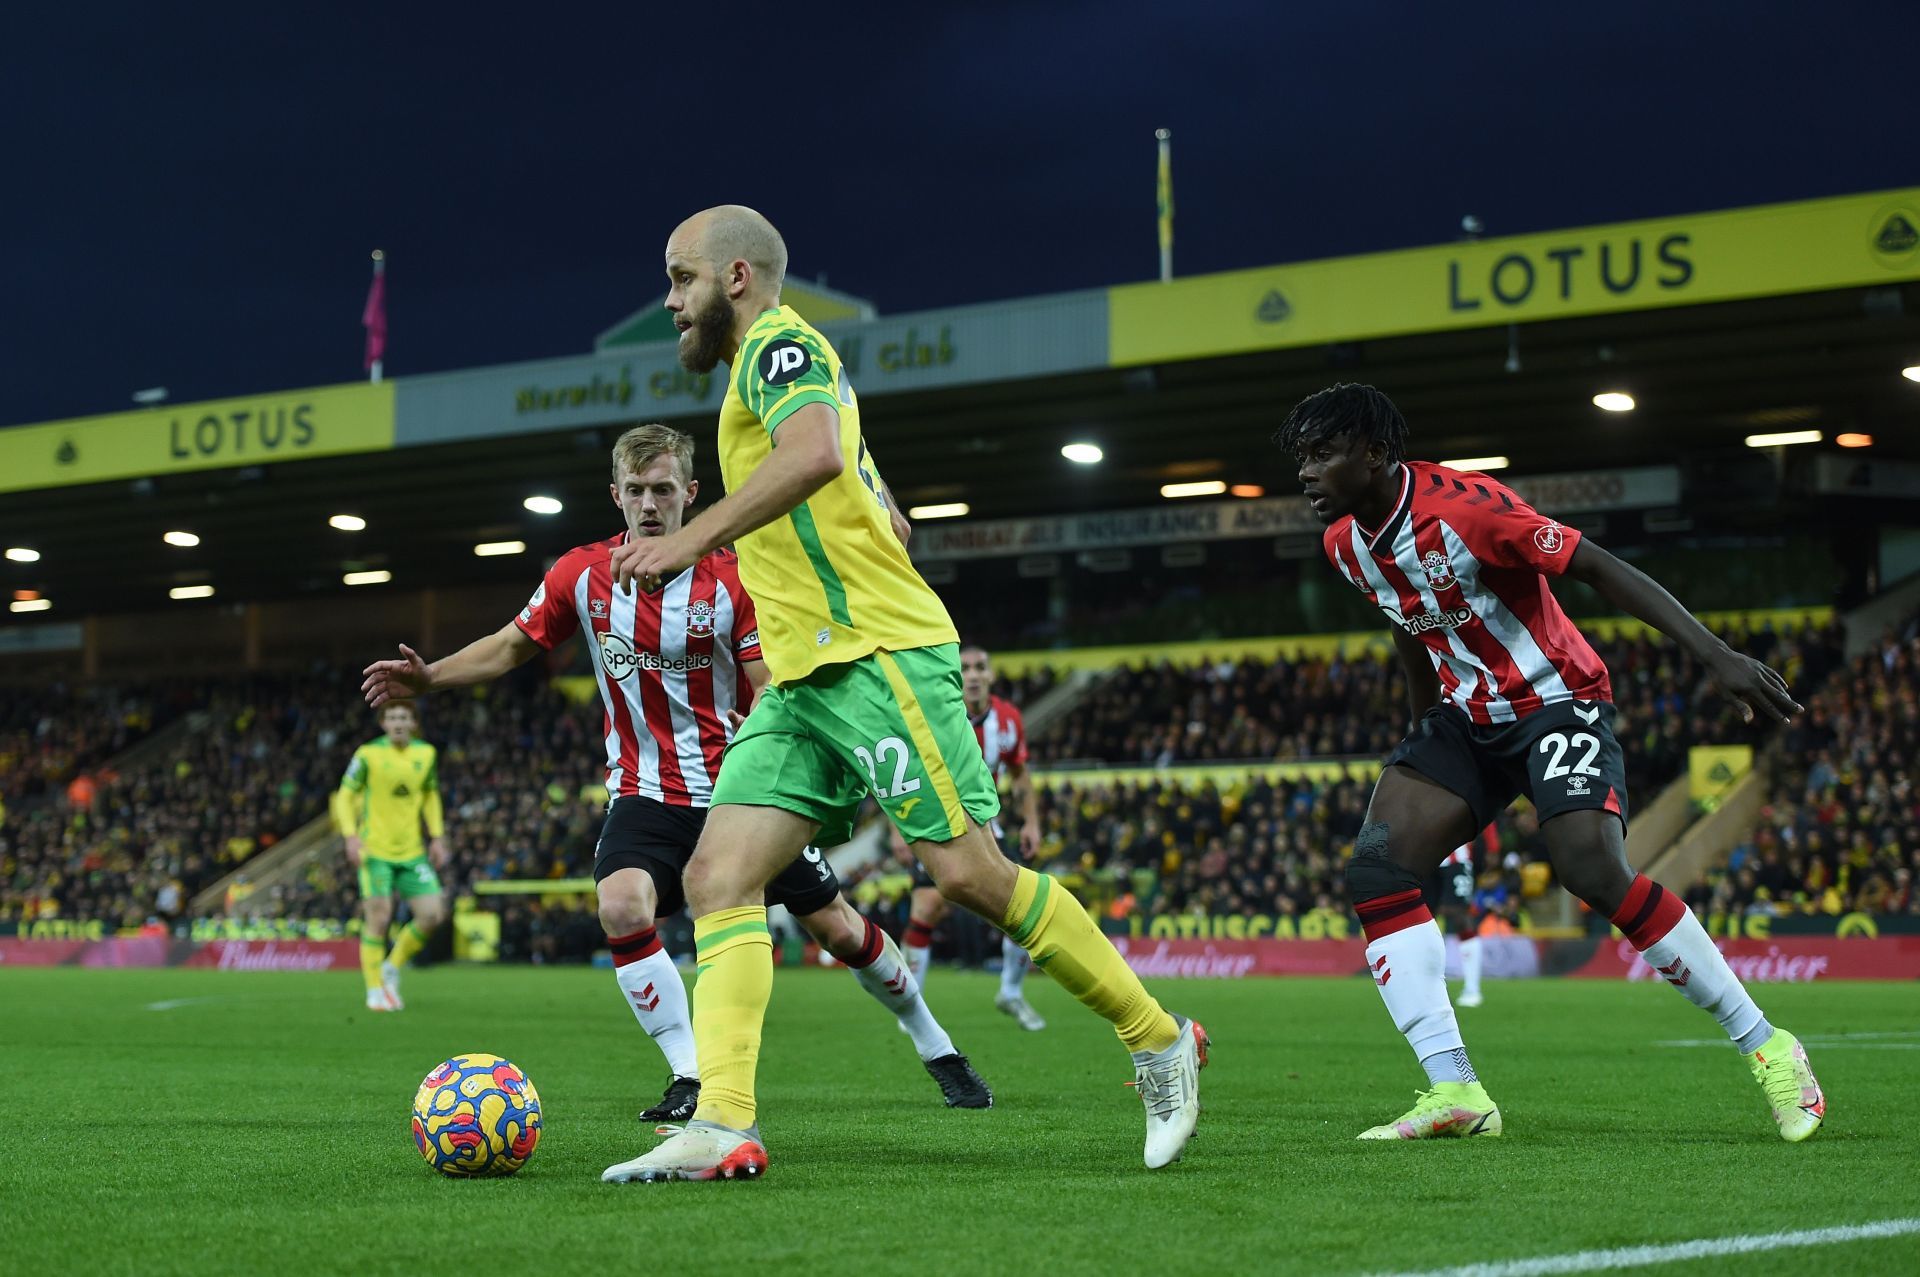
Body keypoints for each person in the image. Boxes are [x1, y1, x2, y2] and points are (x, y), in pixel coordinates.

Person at [602, 205, 1206, 1183]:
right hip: (802, 678)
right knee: (718, 876)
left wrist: (687, 540)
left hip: (877, 655)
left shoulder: (780, 348)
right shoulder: (770, 373)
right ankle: (722, 1119)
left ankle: (1156, 1039)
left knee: (967, 872)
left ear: (740, 277)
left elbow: (815, 456)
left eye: (682, 279)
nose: (671, 301)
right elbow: (871, 496)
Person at [361, 424, 990, 1118]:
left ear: (690, 493)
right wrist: (433, 677)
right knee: (621, 904)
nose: (649, 503)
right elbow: (514, 644)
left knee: (838, 929)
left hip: (740, 794)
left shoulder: (734, 577)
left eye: (663, 489)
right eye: (635, 490)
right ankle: (690, 1074)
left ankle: (937, 1045)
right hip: (644, 792)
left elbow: (768, 689)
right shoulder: (581, 574)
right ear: (616, 495)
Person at [1277, 381, 1824, 1142]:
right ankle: (1454, 1089)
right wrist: (1421, 732)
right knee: (1377, 866)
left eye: (1323, 454)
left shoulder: (1468, 509)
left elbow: (1596, 565)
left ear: (1373, 455)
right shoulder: (1342, 543)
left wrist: (1716, 655)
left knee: (1592, 870)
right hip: (1464, 719)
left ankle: (1768, 1043)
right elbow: (1407, 619)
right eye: (1302, 457)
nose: (1306, 472)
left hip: (1556, 701)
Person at [903, 641, 1047, 1030]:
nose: (973, 675)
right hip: (936, 823)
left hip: (987, 826)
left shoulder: (1009, 719)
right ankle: (911, 1007)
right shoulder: (933, 711)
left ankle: (1011, 993)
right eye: (965, 667)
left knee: (1019, 908)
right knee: (926, 907)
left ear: (991, 675)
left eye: (980, 667)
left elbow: (1019, 773)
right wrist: (897, 826)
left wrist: (1031, 822)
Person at [330, 701, 449, 1012]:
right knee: (379, 918)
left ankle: (392, 965)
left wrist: (436, 836)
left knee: (432, 915)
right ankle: (373, 991)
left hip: (412, 852)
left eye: (404, 717)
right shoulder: (367, 755)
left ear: (413, 722)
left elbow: (430, 795)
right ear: (383, 723)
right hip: (375, 851)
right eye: (392, 717)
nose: (398, 722)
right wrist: (350, 836)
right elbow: (345, 796)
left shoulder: (426, 754)